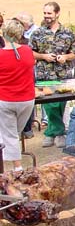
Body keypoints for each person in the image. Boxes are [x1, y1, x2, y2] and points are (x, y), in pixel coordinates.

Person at [29, 1, 75, 149]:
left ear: (57, 13)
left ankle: (50, 133)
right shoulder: (37, 33)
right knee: (50, 105)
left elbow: (74, 53)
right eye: (45, 13)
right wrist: (43, 56)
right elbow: (30, 53)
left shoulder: (68, 33)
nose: (46, 16)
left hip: (62, 74)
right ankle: (59, 132)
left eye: (49, 13)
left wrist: (65, 57)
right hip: (44, 75)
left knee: (60, 104)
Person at [0, 19, 36, 171]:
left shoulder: (1, 55)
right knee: (14, 133)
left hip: (6, 100)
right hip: (27, 100)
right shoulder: (27, 51)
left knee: (10, 135)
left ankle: (17, 167)